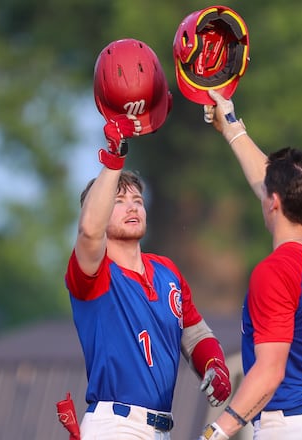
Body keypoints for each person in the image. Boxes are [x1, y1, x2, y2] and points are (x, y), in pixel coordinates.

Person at [198, 89, 302, 440]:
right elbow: (270, 187)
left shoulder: (275, 271)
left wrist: (216, 432)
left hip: (292, 427)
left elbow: (270, 373)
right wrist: (231, 126)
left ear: (274, 202)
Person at [63, 112, 232, 440]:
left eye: (137, 200)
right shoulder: (94, 274)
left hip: (160, 428)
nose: (132, 207)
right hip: (115, 425)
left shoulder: (167, 270)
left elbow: (195, 335)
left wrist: (215, 364)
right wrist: (114, 160)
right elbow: (88, 231)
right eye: (119, 200)